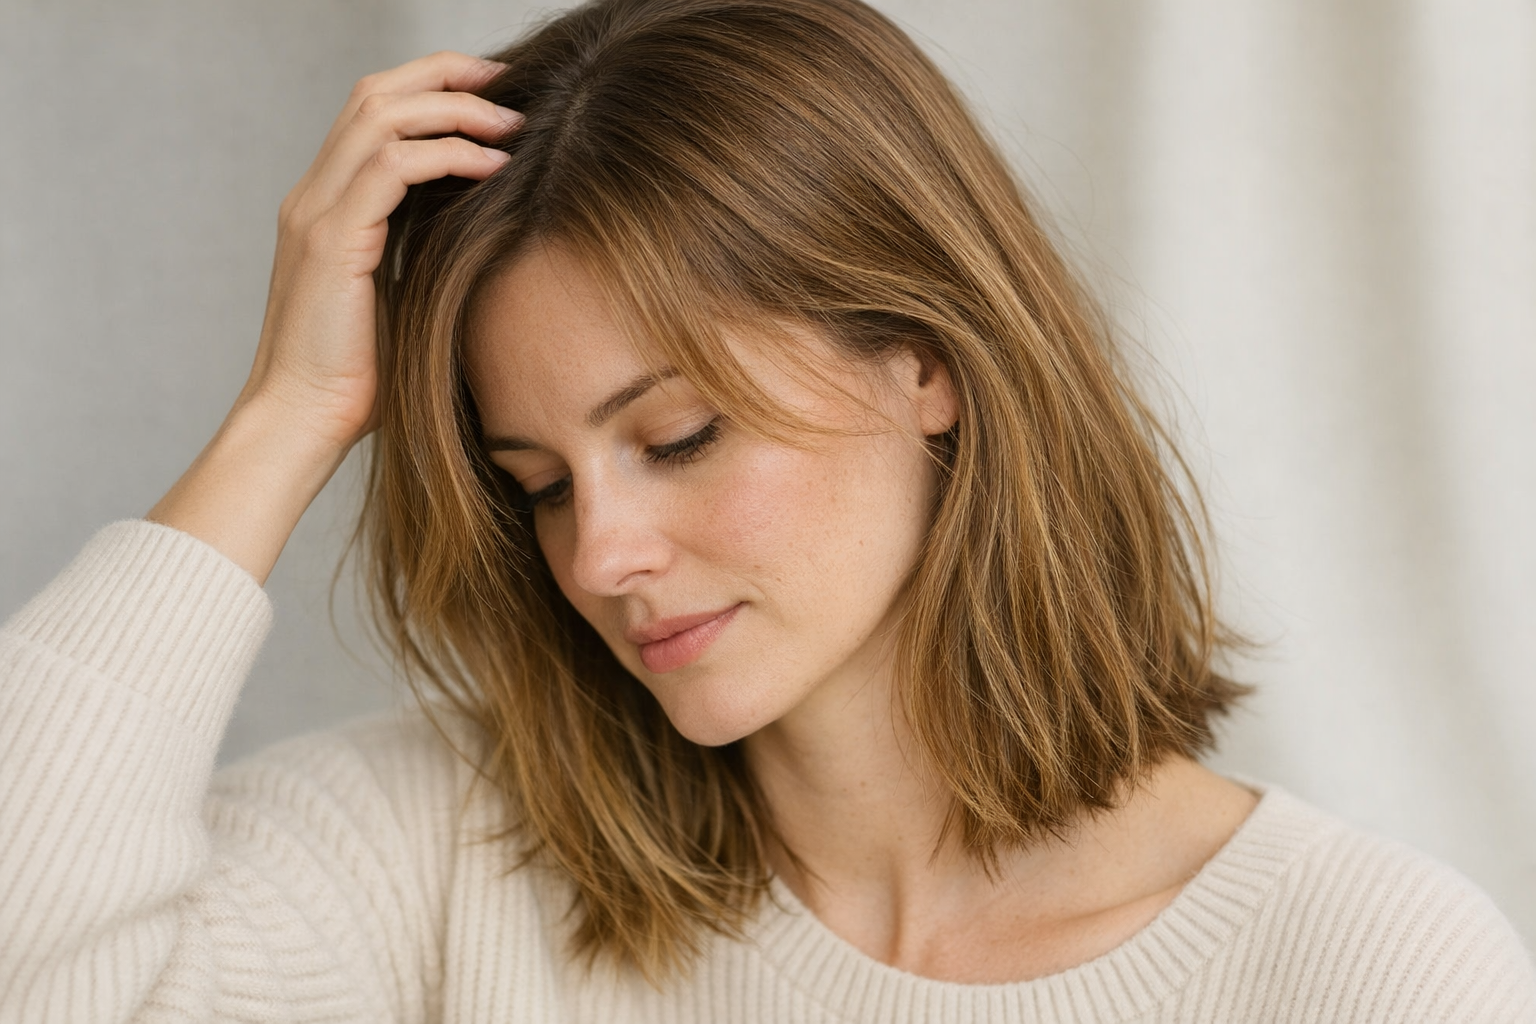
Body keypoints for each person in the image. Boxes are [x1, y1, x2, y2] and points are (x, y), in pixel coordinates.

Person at [1, 0, 1532, 1019]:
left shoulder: (1361, 967)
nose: (600, 555)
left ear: (925, 363)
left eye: (676, 436)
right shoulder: (444, 851)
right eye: (535, 484)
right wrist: (288, 416)